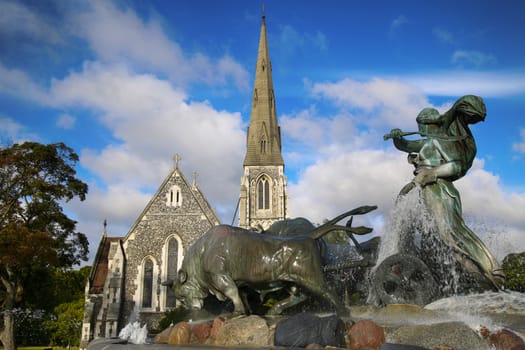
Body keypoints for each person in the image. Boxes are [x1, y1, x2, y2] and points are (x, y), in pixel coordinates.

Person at [385, 95, 504, 291]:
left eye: (422, 125)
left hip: (439, 190)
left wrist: (431, 173)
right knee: (426, 234)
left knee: (448, 234)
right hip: (424, 190)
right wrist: (398, 137)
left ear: (429, 124)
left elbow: (456, 167)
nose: (421, 129)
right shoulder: (428, 143)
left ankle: (489, 272)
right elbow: (405, 145)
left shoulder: (440, 142)